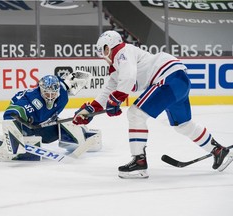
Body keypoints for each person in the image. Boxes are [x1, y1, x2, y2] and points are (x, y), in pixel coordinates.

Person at [72, 30, 230, 179]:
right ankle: (218, 150)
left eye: (103, 51)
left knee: (135, 114)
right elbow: (109, 89)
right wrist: (90, 110)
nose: (103, 56)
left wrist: (117, 98)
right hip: (178, 80)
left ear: (108, 46)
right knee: (183, 124)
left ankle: (139, 162)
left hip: (167, 79)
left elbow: (128, 77)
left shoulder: (121, 51)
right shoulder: (118, 65)